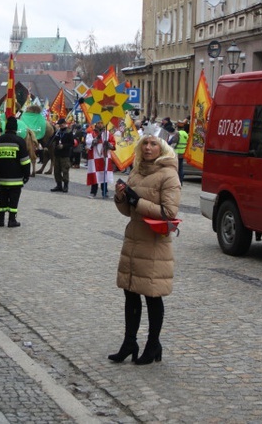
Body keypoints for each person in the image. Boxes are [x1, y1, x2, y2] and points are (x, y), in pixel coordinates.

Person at [110, 134, 180, 365]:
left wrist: (137, 201)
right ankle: (130, 342)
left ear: (162, 149)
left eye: (153, 144)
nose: (148, 147)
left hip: (154, 242)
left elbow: (169, 213)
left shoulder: (169, 175)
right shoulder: (136, 171)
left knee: (152, 295)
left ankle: (153, 344)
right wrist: (122, 199)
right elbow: (129, 212)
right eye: (145, 144)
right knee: (130, 292)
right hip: (133, 239)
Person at [0, 116, 31, 228]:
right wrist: (26, 175)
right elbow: (25, 161)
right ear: (16, 128)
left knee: (2, 197)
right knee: (14, 199)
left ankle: (0, 219)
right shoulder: (20, 141)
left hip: (2, 177)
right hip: (16, 178)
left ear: (6, 127)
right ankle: (12, 220)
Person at [86, 121, 116, 198]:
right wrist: (96, 140)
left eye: (102, 123)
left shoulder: (108, 133)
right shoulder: (91, 133)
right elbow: (88, 143)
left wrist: (108, 144)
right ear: (96, 124)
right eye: (99, 123)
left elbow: (113, 144)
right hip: (94, 157)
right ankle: (93, 192)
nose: (100, 124)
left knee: (104, 174)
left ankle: (105, 192)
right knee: (94, 174)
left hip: (104, 156)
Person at [50, 118, 74, 193]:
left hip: (65, 155)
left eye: (62, 124)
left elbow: (72, 143)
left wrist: (63, 146)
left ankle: (65, 186)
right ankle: (58, 185)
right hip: (57, 154)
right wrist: (46, 146)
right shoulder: (57, 132)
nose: (60, 125)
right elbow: (51, 139)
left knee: (65, 170)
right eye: (59, 124)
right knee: (56, 171)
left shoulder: (69, 132)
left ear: (64, 123)